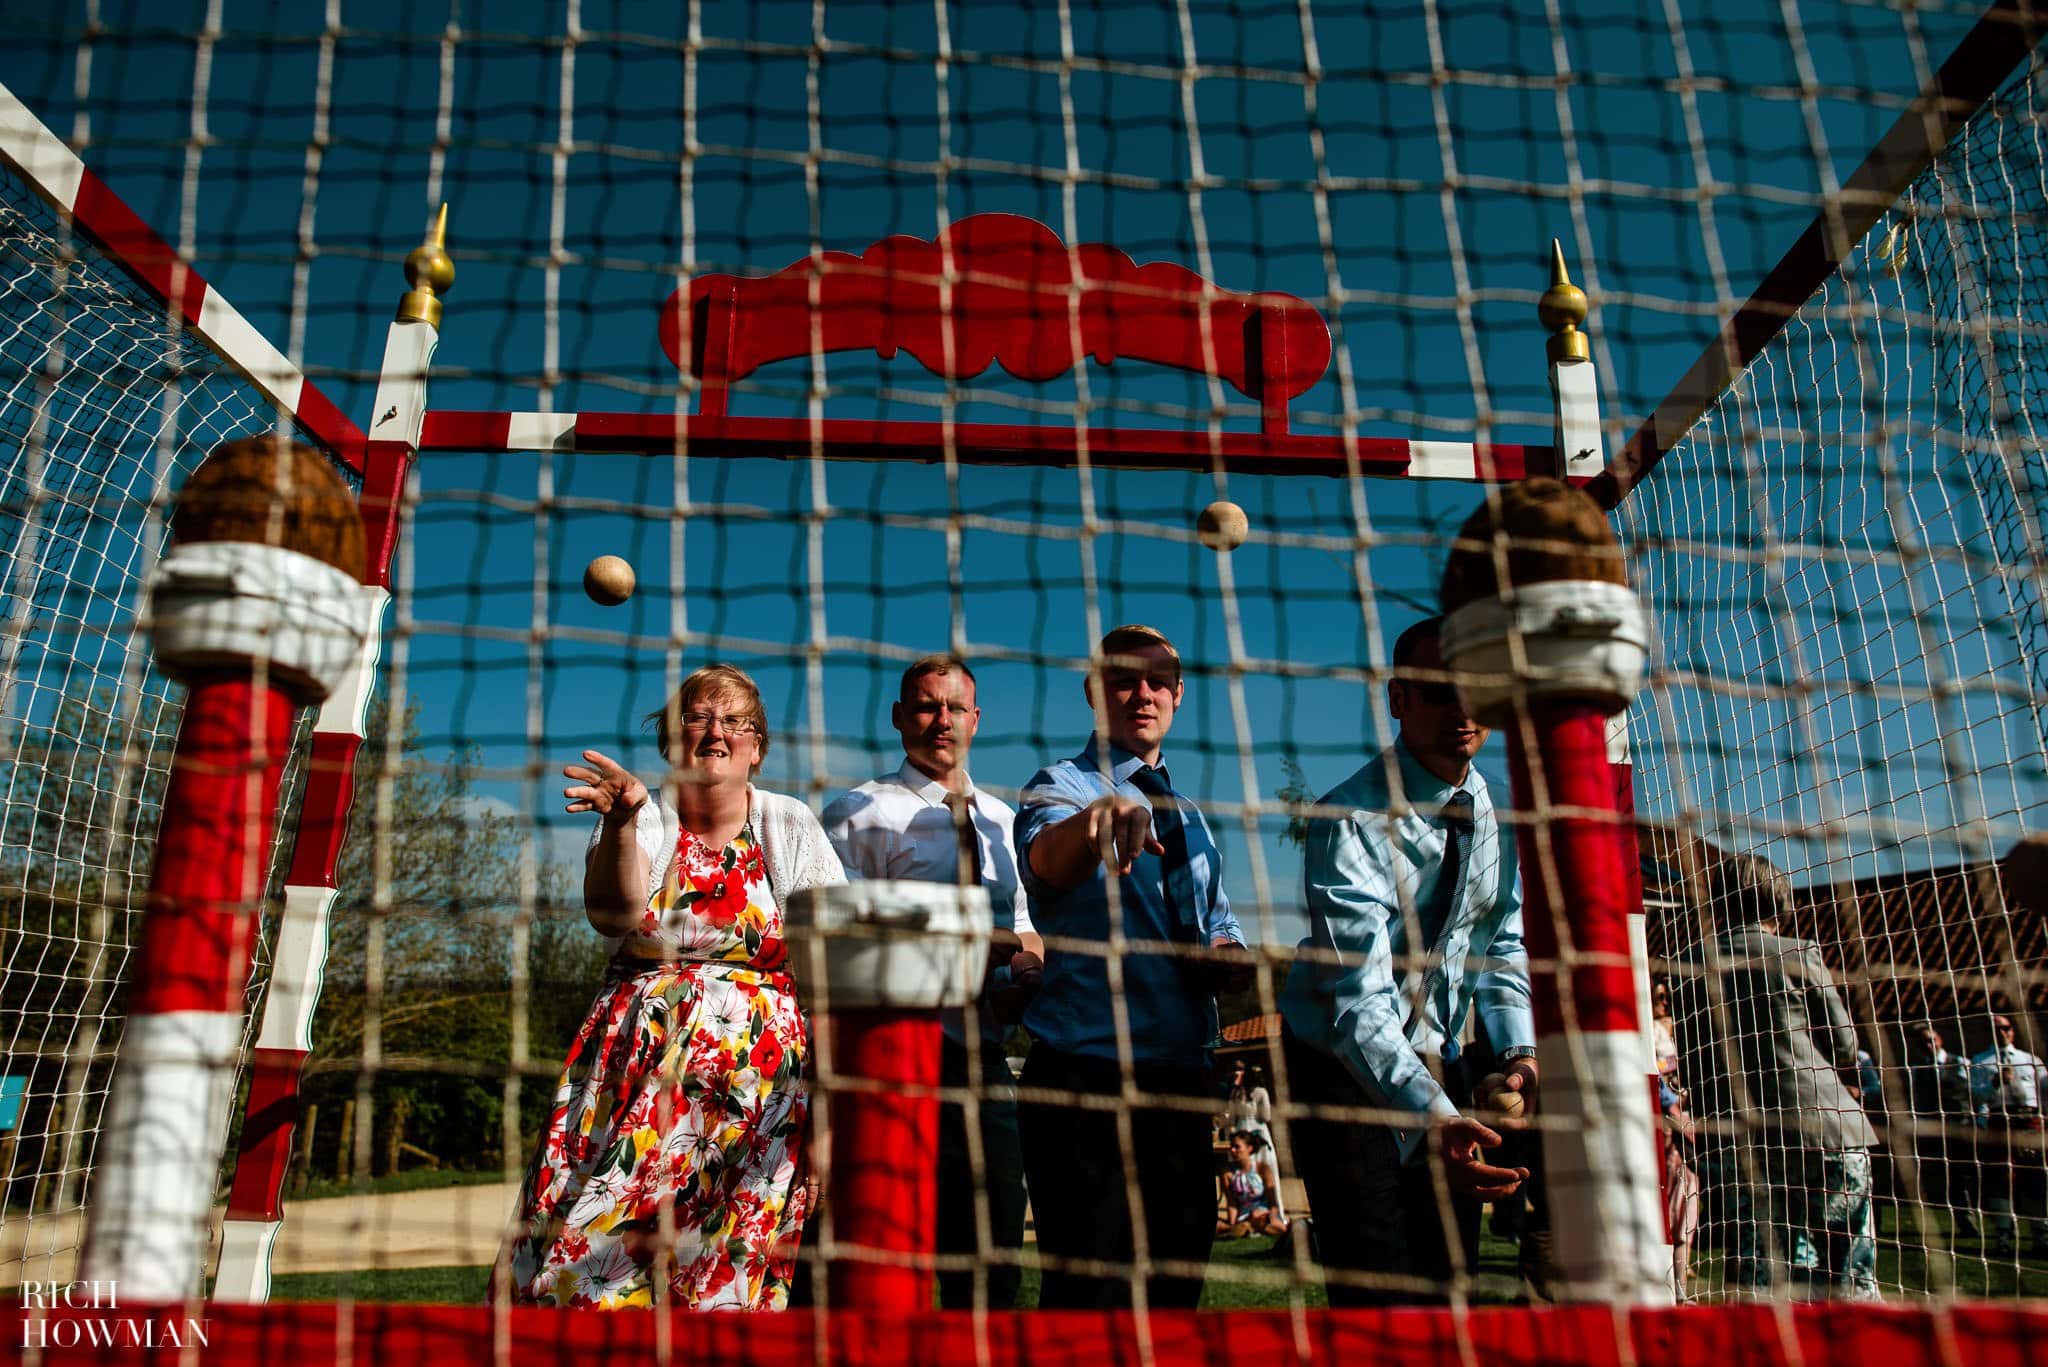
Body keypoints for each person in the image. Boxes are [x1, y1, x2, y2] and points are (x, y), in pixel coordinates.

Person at [504, 664, 847, 1310]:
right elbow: (612, 913)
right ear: (670, 739)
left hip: (760, 1111)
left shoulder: (791, 825)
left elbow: (829, 983)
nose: (715, 731)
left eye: (734, 720)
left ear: (758, 746)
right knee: (576, 1281)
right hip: (632, 1094)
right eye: (697, 717)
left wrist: (826, 1124)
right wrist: (624, 822)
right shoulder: (644, 818)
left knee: (723, 1298)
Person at [1278, 615, 1536, 1307]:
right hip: (1341, 1069)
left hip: (1442, 1059)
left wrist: (1520, 1053)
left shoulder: (1500, 814)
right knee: (1381, 1292)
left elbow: (1502, 944)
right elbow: (1358, 1007)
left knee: (1450, 1283)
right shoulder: (1350, 819)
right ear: (1399, 699)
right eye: (1438, 689)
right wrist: (1432, 1113)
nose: (1461, 707)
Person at [1013, 623, 1251, 1310]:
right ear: (1095, 693)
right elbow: (1046, 862)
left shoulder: (1192, 815)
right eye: (1122, 678)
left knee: (1176, 1299)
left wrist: (1228, 956)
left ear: (1177, 696)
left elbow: (1218, 920)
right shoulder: (1057, 787)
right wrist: (1097, 823)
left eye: (1155, 680)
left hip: (1180, 1083)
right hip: (1084, 1087)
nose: (1140, 692)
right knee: (1088, 1309)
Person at [820, 653, 1043, 1310]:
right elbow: (837, 937)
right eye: (924, 704)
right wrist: (959, 944)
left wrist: (1024, 968)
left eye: (953, 707)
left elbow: (1028, 931)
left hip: (984, 1058)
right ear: (898, 717)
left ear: (976, 719)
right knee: (890, 1263)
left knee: (993, 1259)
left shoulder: (1007, 824)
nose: (940, 719)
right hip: (889, 1064)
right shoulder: (857, 813)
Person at [1672, 850, 1879, 1300]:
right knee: (1849, 1272)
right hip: (1822, 1128)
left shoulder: (1687, 965)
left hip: (1744, 1137)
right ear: (1780, 902)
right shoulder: (1796, 953)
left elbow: (1693, 1059)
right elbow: (1845, 1045)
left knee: (1765, 1276)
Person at [1971, 1013, 2048, 1257]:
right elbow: (1976, 1097)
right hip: (2000, 1121)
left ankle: (2041, 1236)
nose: (2002, 1033)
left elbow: (2044, 1093)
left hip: (2030, 1121)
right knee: (2000, 1180)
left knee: (2035, 1179)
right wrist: (1994, 1081)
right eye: (1997, 1029)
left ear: (2012, 1030)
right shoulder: (1981, 1061)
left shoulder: (2029, 1059)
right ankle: (2003, 1237)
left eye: (2006, 1028)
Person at [1904, 1021, 1976, 1236]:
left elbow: (1974, 1094)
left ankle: (1974, 1219)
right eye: (1923, 1042)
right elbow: (1915, 1100)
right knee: (1943, 1176)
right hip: (1934, 1130)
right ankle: (1957, 1222)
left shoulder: (1962, 1064)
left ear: (1939, 1040)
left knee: (1966, 1175)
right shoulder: (1918, 1070)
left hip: (1960, 1127)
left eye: (1930, 1040)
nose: (1928, 1045)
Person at [1216, 1131, 1289, 1240]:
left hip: (1262, 1212)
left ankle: (1247, 1228)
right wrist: (1233, 1223)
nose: (1232, 1150)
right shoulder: (1227, 1173)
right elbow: (1231, 1203)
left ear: (1249, 1148)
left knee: (1274, 1225)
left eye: (1237, 1147)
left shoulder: (1262, 1168)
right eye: (1232, 1147)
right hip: (1243, 1214)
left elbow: (1272, 1200)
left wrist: (1273, 1217)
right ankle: (1241, 1229)